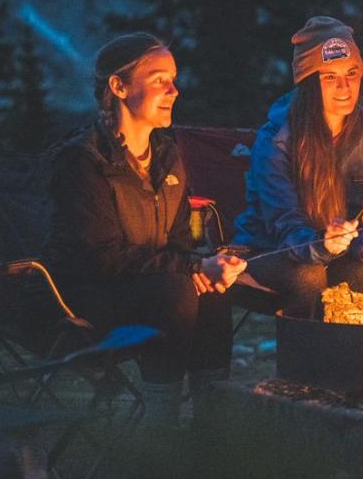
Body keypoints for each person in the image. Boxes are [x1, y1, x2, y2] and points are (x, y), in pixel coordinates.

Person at [42, 32, 246, 428]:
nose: (174, 89)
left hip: (149, 284)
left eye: (173, 78)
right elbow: (99, 256)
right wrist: (188, 270)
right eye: (159, 80)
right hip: (85, 298)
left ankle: (213, 429)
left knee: (212, 296)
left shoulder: (167, 155)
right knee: (175, 291)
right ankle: (161, 428)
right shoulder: (83, 161)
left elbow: (179, 242)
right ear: (118, 87)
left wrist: (200, 267)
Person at [233, 16, 363, 317]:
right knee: (308, 276)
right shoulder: (277, 140)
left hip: (337, 254)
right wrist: (322, 244)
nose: (344, 87)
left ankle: (358, 361)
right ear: (309, 83)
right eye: (329, 77)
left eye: (352, 73)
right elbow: (283, 224)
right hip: (271, 249)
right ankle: (305, 361)